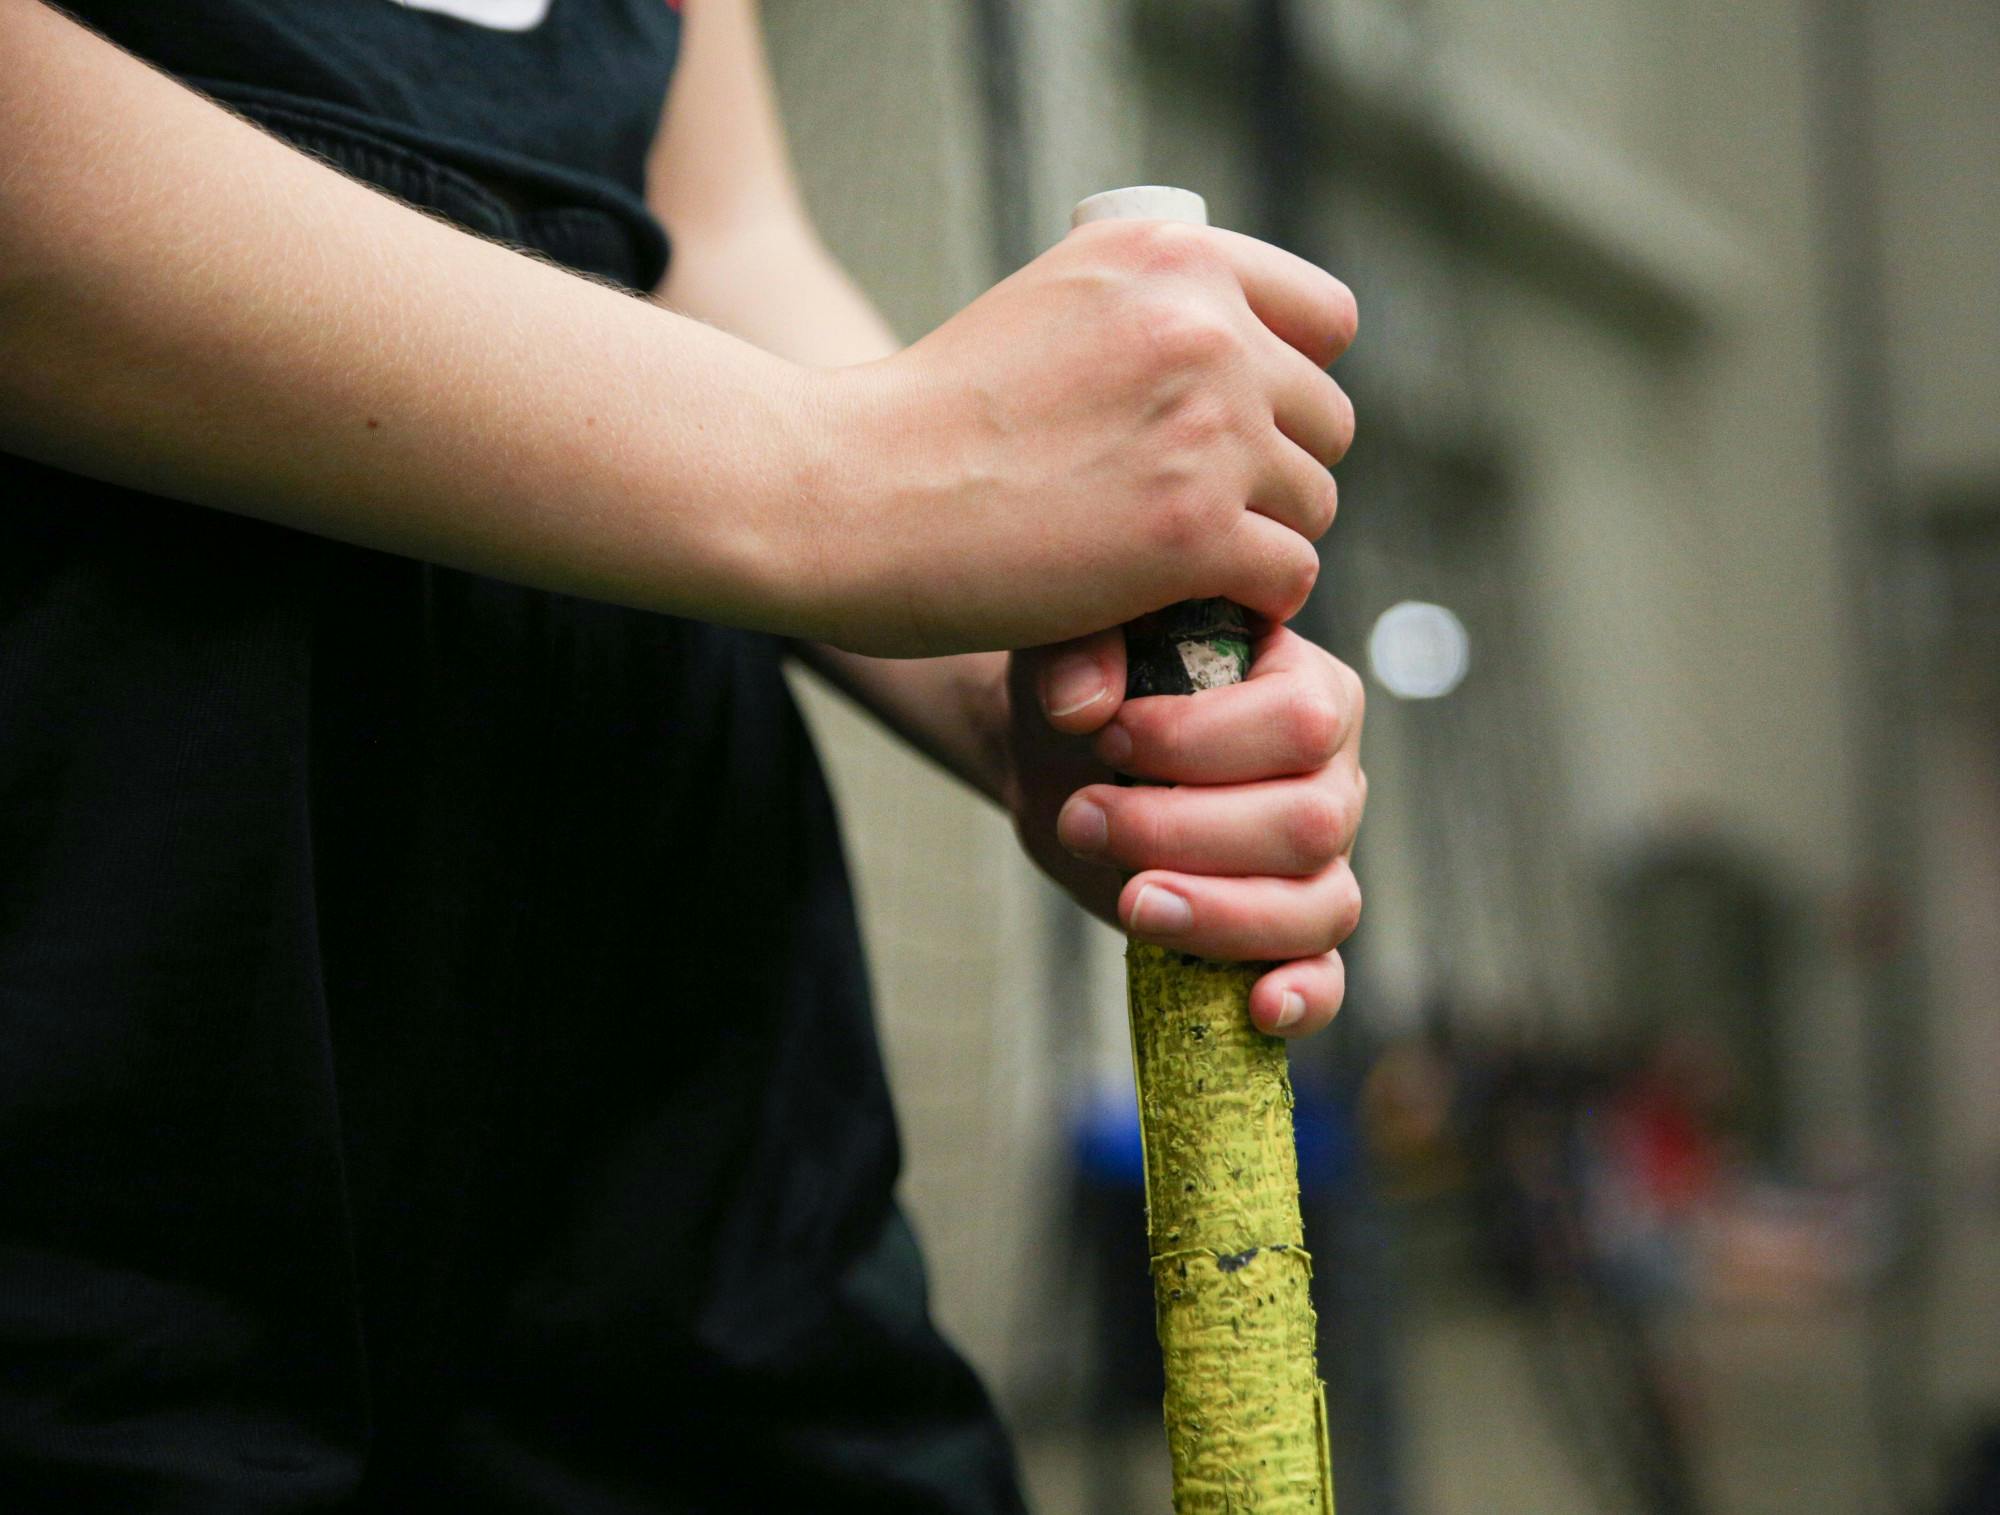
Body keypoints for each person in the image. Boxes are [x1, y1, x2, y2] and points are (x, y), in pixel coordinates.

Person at [0, 1, 1365, 1509]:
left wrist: (1025, 692)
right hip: (104, 887)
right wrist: (851, 480)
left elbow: (713, 233)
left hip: (662, 970)